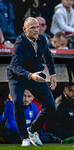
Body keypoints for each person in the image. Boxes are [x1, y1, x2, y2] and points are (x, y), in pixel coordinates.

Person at [7, 17, 57, 147]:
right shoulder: (19, 43)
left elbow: (48, 57)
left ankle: (33, 130)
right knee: (17, 102)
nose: (36, 30)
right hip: (17, 77)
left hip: (35, 75)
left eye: (37, 27)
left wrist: (52, 74)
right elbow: (16, 66)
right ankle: (24, 138)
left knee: (51, 106)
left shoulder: (42, 39)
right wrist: (30, 75)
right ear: (24, 29)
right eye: (32, 27)